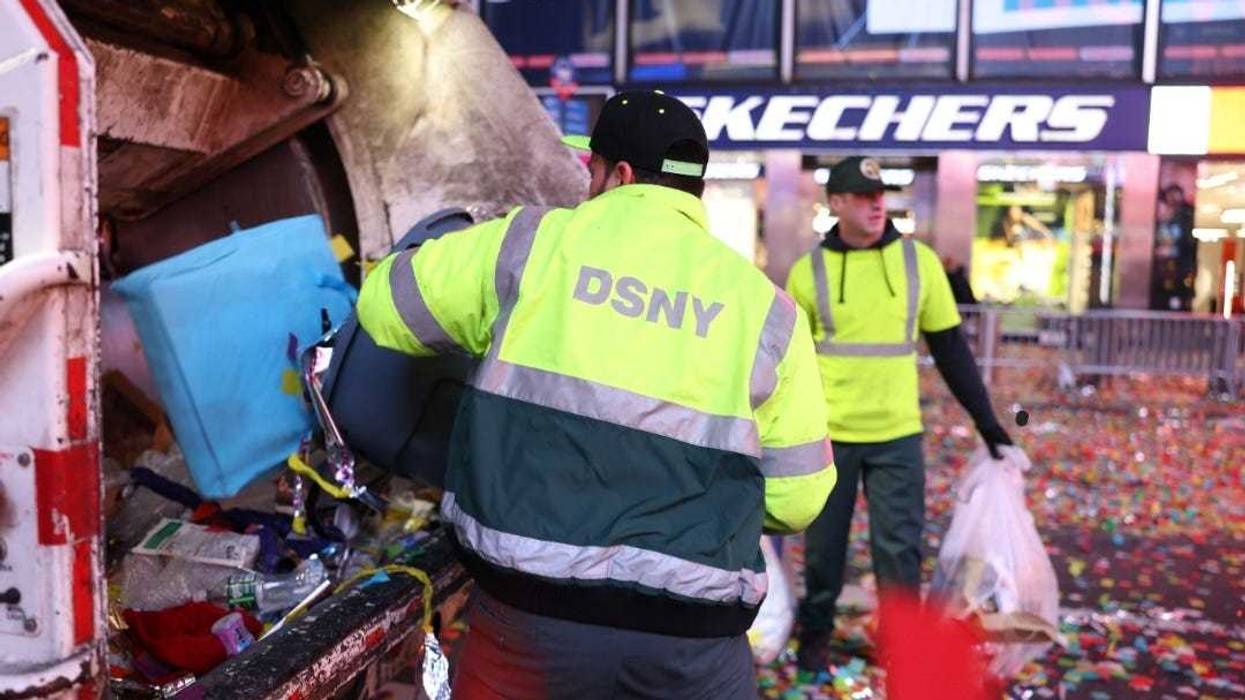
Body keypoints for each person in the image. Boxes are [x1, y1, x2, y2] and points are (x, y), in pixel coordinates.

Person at [356, 90, 837, 699]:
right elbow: (799, 499)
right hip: (695, 647)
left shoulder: (529, 246)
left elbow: (386, 307)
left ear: (620, 174)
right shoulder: (767, 310)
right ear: (692, 190)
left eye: (591, 171)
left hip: (530, 631)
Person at [785, 156, 1013, 672]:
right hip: (828, 439)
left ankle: (903, 647)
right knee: (823, 554)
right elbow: (790, 361)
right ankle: (814, 637)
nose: (876, 204)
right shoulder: (808, 271)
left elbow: (951, 348)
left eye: (880, 194)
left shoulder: (919, 263)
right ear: (835, 204)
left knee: (899, 556)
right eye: (862, 197)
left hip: (896, 437)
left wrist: (989, 424)